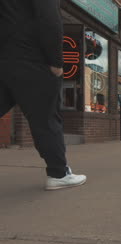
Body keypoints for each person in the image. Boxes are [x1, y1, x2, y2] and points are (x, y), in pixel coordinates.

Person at [0, 0, 86, 190]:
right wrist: (56, 61)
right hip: (34, 60)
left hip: (5, 60)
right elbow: (49, 19)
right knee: (46, 119)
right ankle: (59, 174)